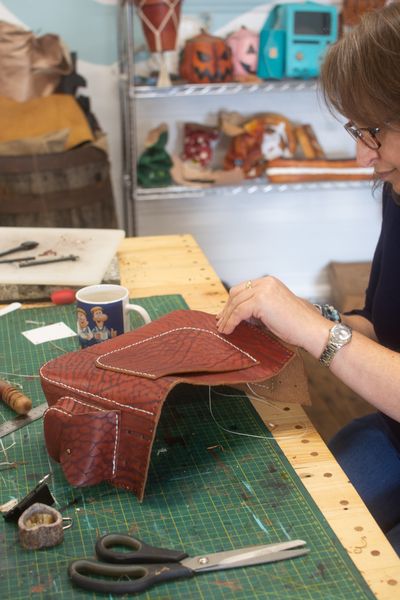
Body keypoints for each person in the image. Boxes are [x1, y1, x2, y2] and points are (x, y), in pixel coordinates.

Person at [216, 2, 400, 555]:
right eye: (356, 129)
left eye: (373, 131)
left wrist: (316, 333)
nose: (361, 154)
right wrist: (308, 319)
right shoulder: (398, 190)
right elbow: (378, 325)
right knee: (292, 527)